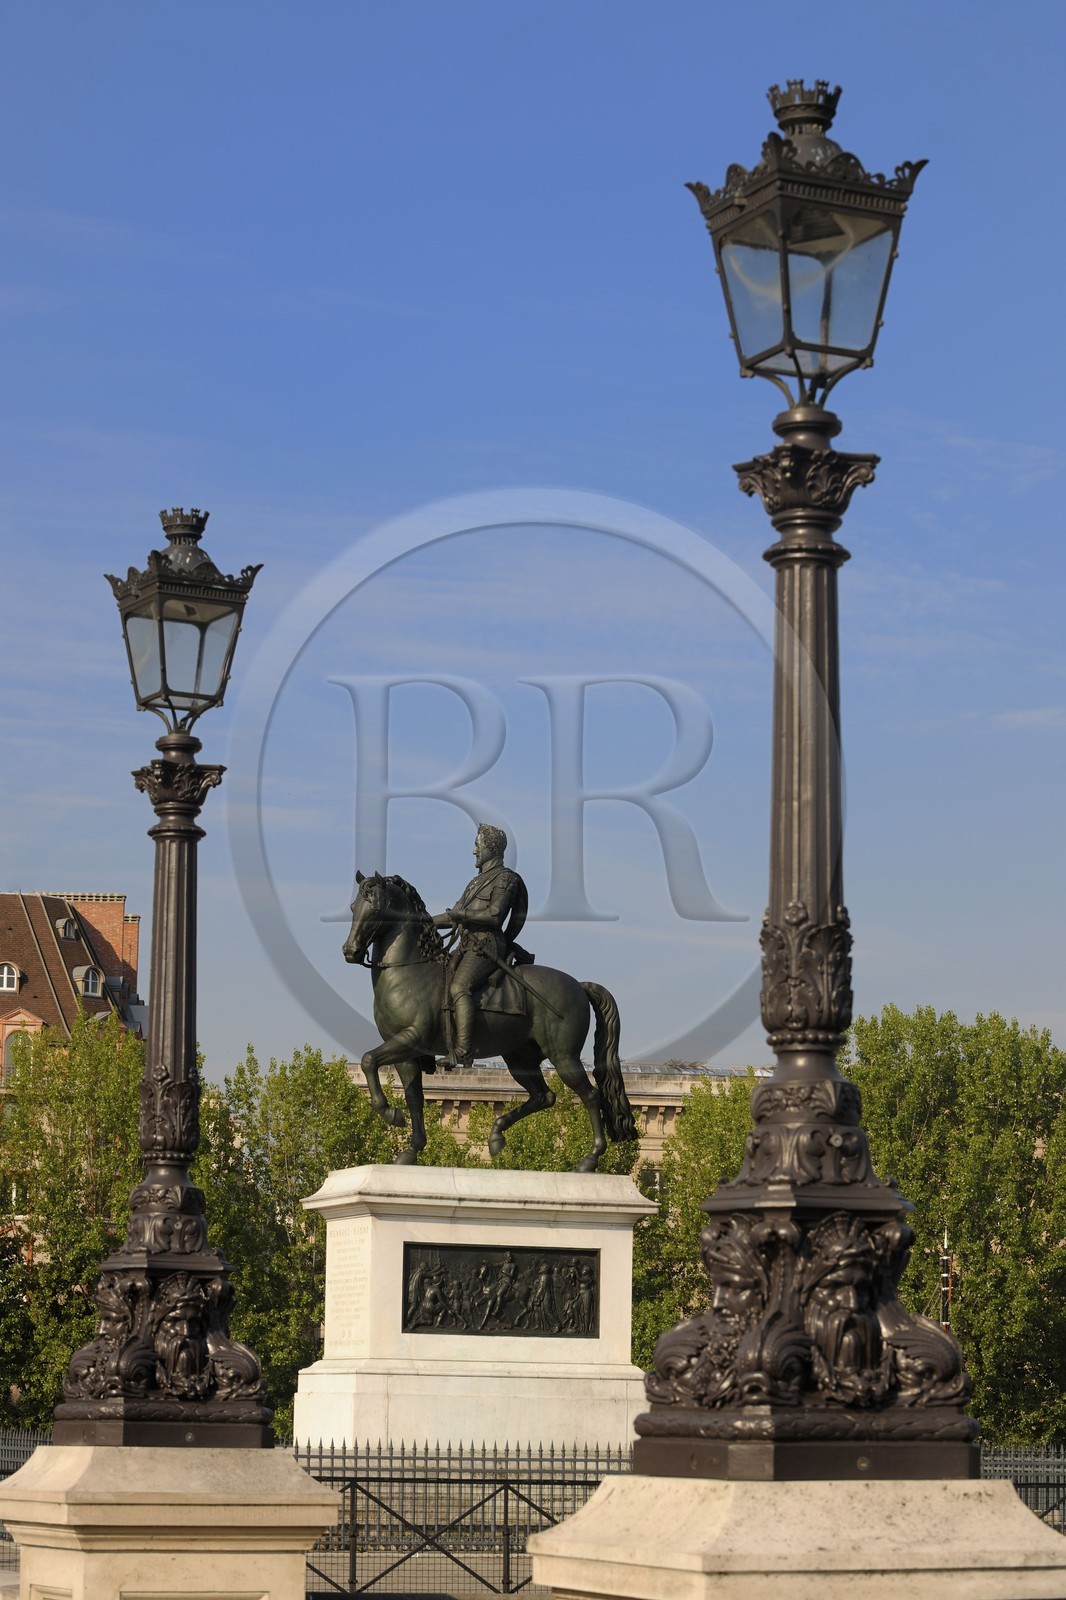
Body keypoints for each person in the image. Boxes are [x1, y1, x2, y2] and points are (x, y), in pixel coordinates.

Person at [433, 824, 527, 1068]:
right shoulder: (475, 883)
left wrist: (461, 915)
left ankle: (463, 1050)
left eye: (478, 845)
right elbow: (452, 915)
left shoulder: (506, 878)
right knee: (437, 984)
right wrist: (421, 922)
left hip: (487, 945)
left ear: (491, 848)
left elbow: (495, 915)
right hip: (467, 945)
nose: (474, 850)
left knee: (459, 987)